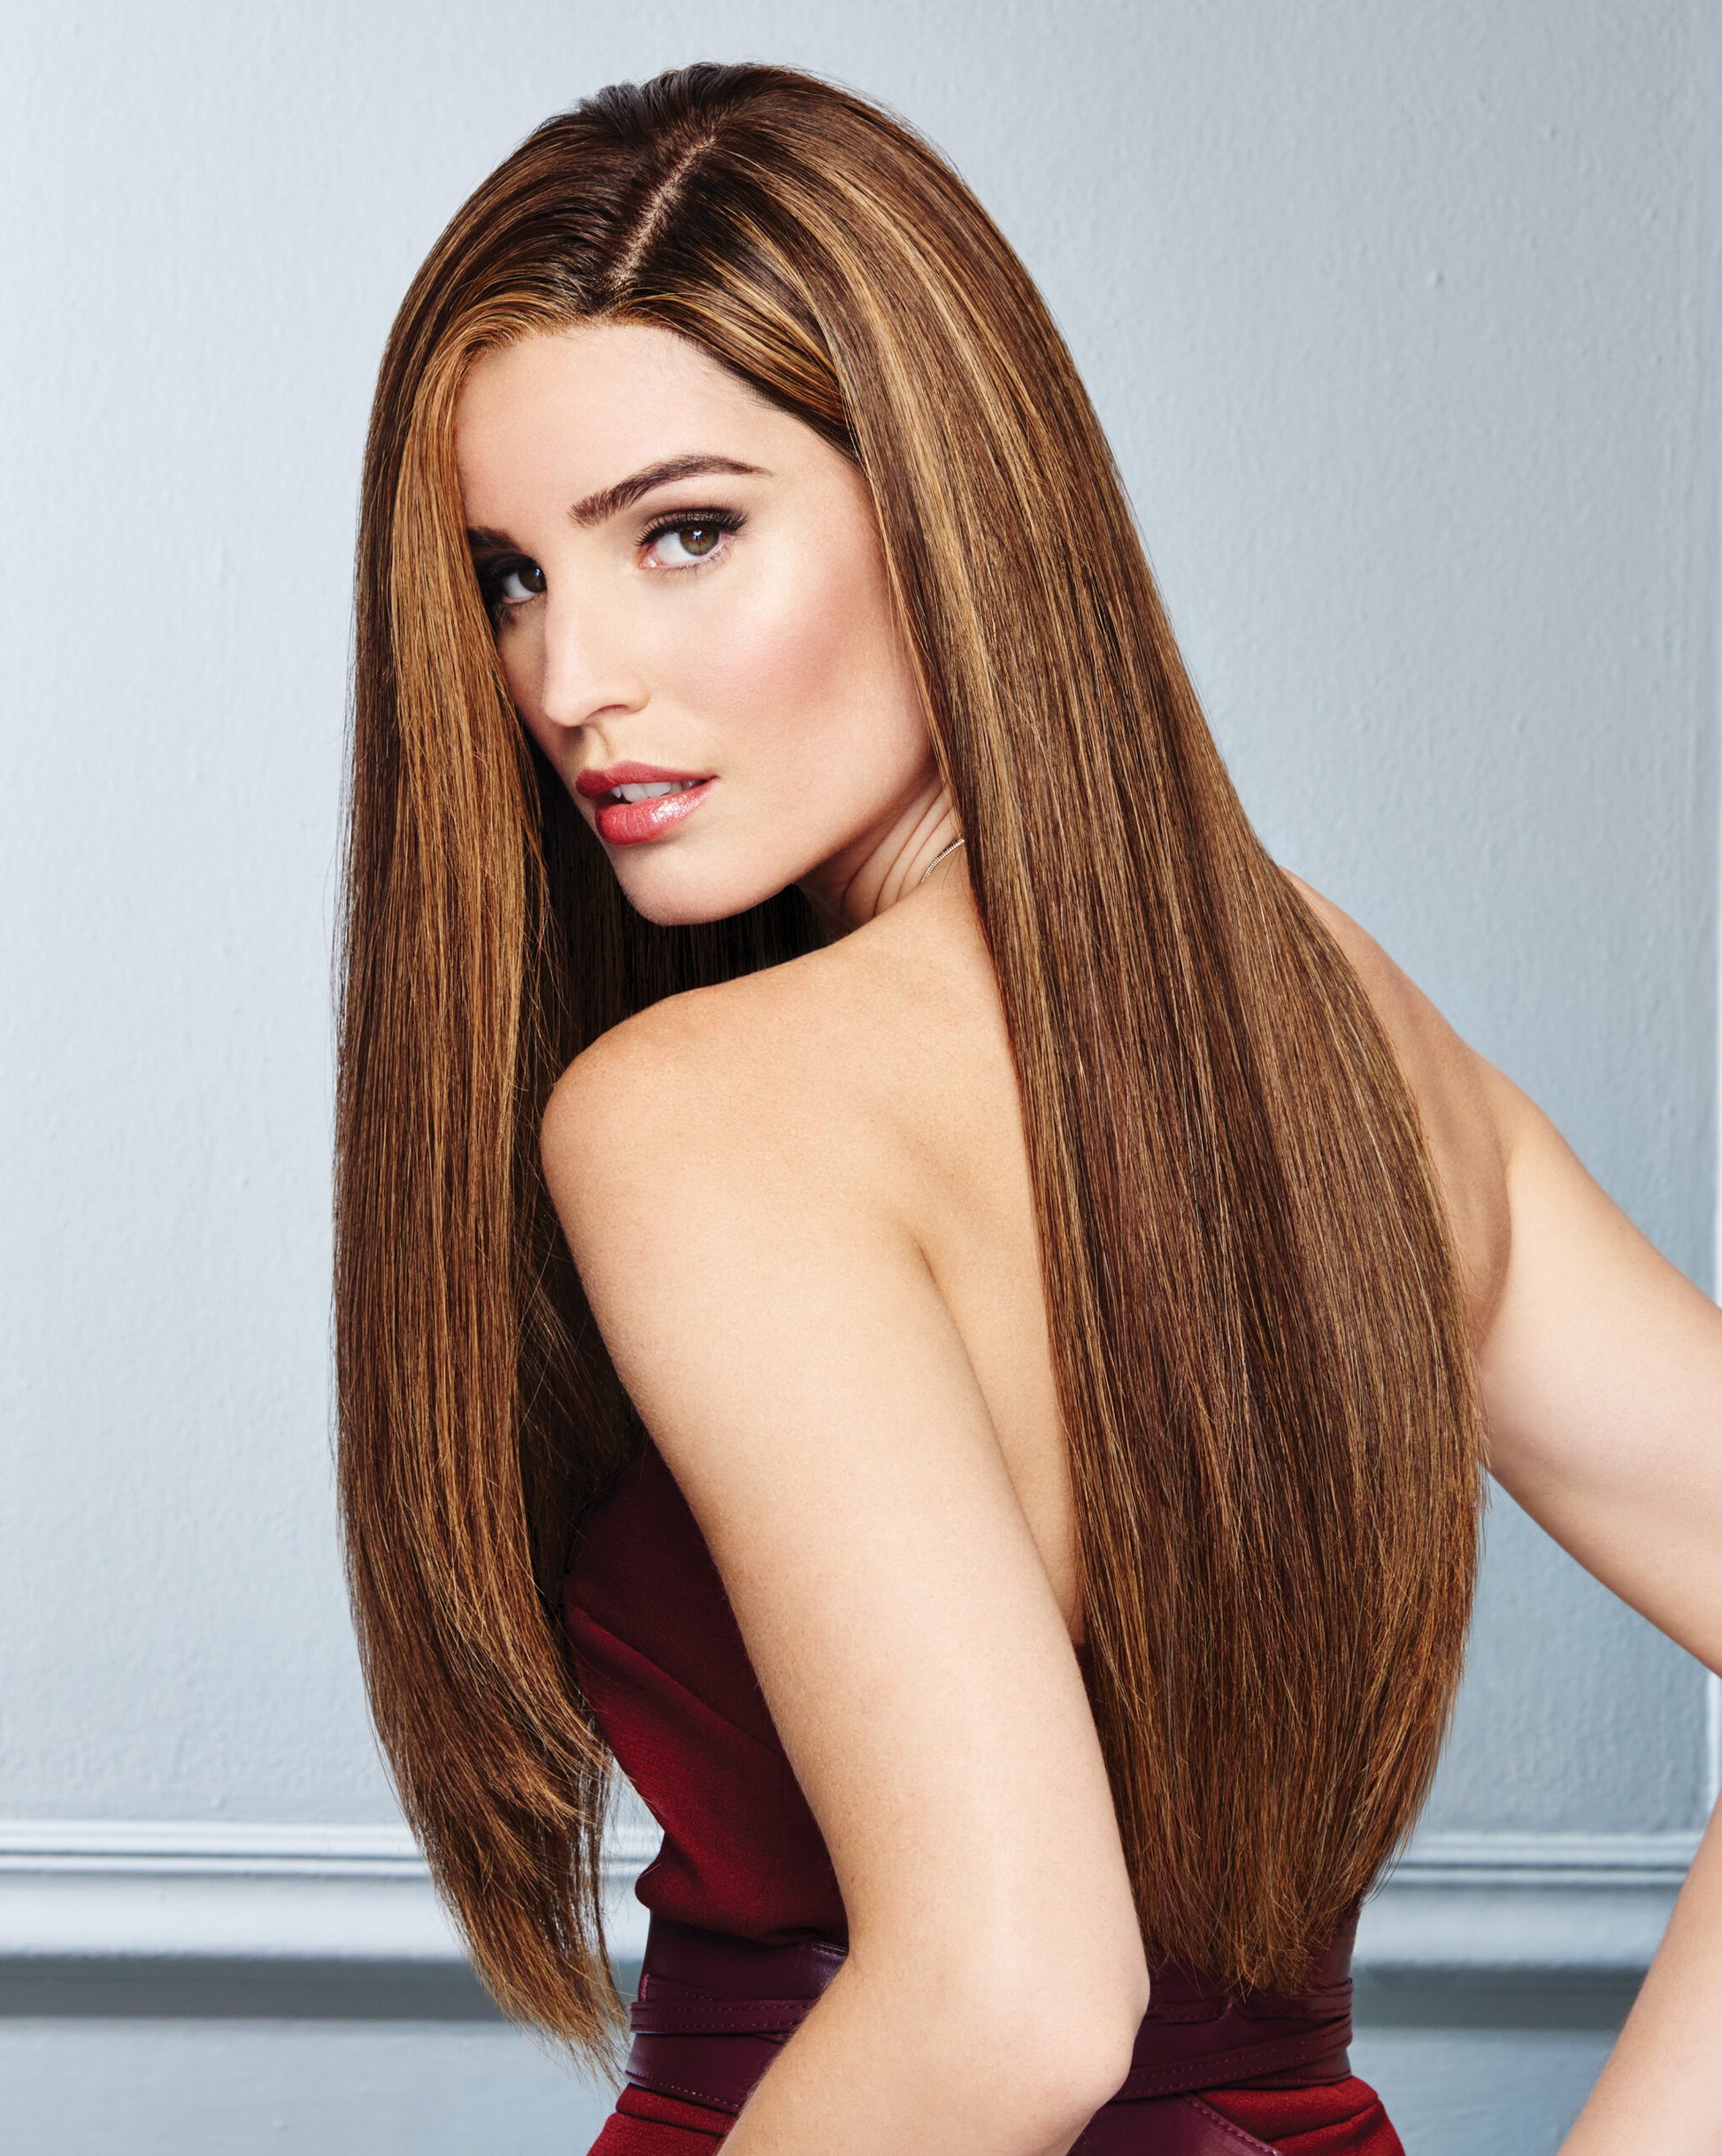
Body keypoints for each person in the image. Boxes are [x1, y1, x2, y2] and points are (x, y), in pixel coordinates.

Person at [334, 62, 1722, 2156]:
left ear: (948, 500)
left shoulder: (690, 1111)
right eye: (507, 576)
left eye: (685, 533)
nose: (566, 678)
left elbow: (1012, 1999)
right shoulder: (1343, 1022)